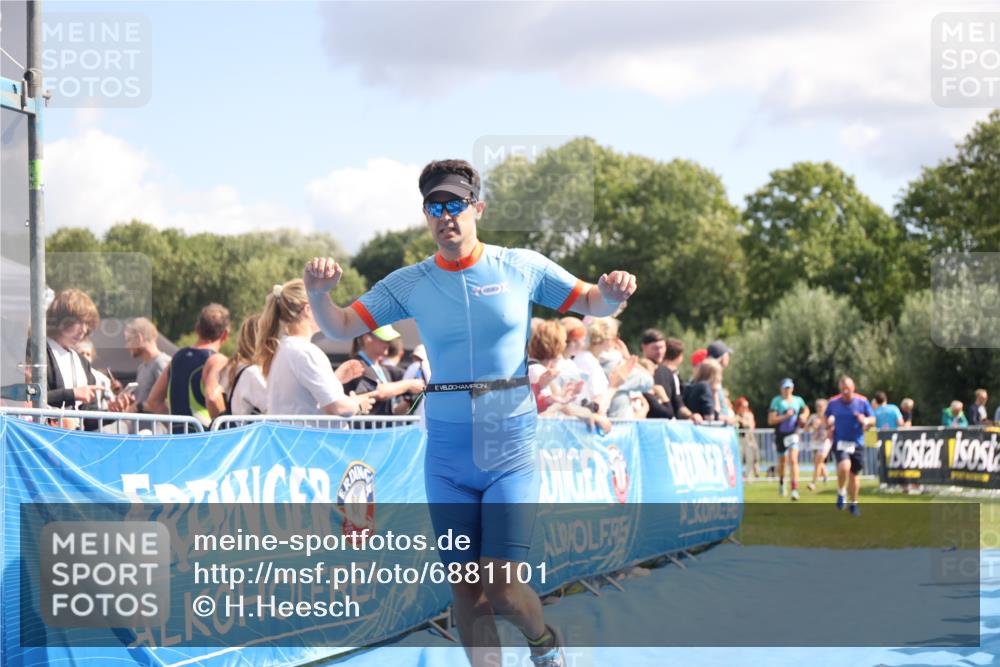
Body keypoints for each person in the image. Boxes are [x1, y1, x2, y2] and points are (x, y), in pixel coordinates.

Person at [304, 158, 637, 667]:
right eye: (435, 207)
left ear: (477, 208)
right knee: (465, 589)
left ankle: (544, 644)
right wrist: (317, 293)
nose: (446, 216)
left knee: (502, 587)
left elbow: (591, 301)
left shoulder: (520, 266)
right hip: (447, 456)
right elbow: (340, 323)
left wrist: (610, 294)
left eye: (455, 205)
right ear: (426, 216)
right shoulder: (410, 282)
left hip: (509, 450)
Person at [258, 280, 374, 420]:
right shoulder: (305, 351)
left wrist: (335, 378)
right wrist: (358, 404)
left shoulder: (282, 348)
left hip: (292, 438)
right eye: (323, 307)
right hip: (310, 440)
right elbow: (337, 407)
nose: (328, 312)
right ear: (307, 310)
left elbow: (301, 396)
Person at [144, 304, 230, 431]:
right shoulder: (217, 360)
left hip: (178, 442)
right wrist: (226, 430)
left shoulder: (177, 357)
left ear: (197, 329)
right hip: (203, 442)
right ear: (225, 335)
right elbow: (212, 398)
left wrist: (176, 425)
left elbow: (153, 401)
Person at [41, 288, 103, 428]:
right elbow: (29, 396)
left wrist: (112, 412)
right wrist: (72, 394)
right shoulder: (37, 352)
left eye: (87, 324)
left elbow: (90, 420)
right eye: (80, 321)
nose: (84, 330)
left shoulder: (83, 363)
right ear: (61, 318)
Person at [344, 326, 425, 421]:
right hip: (363, 432)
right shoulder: (356, 365)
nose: (388, 344)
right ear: (367, 338)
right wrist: (409, 384)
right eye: (384, 339)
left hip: (381, 432)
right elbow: (378, 392)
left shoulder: (383, 370)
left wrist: (410, 399)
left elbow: (392, 411)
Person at [825, 376, 874, 516]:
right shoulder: (833, 402)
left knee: (853, 475)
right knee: (844, 466)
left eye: (848, 388)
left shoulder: (862, 401)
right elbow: (826, 417)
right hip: (840, 441)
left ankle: (854, 504)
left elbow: (873, 419)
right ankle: (841, 492)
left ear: (853, 387)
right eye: (843, 388)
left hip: (857, 443)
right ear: (840, 389)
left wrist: (864, 420)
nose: (845, 391)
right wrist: (828, 424)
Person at [767, 378, 809, 500]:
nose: (787, 390)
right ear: (781, 389)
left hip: (793, 433)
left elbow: (806, 409)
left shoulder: (798, 400)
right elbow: (771, 420)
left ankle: (794, 489)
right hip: (781, 434)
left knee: (793, 459)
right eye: (785, 388)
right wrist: (786, 416)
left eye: (789, 388)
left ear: (792, 388)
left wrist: (803, 416)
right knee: (783, 461)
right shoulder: (776, 401)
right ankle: (781, 482)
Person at [219, 313, 268, 417]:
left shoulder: (233, 367)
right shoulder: (253, 373)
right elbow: (274, 409)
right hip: (251, 432)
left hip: (239, 431)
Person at [75, 339, 115, 410]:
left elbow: (110, 402)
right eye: (82, 353)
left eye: (88, 354)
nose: (85, 357)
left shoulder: (102, 379)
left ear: (92, 358)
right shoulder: (69, 374)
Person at [707, 340, 737, 425]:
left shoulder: (711, 376)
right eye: (727, 355)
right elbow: (708, 410)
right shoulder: (711, 378)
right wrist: (725, 418)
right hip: (716, 428)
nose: (728, 358)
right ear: (722, 357)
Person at [805, 398, 831, 491]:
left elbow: (832, 428)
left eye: (821, 406)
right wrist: (812, 426)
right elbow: (806, 429)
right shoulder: (813, 417)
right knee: (818, 462)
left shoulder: (828, 417)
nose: (819, 408)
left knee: (818, 461)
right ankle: (825, 475)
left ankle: (813, 483)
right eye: (818, 406)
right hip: (815, 442)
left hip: (825, 441)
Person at [733, 396, 759, 479]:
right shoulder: (735, 415)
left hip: (748, 439)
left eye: (746, 406)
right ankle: (738, 476)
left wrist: (741, 420)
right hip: (738, 439)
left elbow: (751, 426)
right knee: (739, 458)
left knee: (750, 458)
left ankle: (748, 476)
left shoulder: (749, 415)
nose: (745, 408)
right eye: (743, 406)